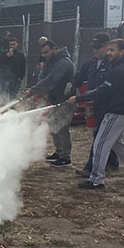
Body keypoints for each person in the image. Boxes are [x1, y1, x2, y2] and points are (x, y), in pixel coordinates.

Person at [67, 38, 124, 189]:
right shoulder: (117, 67)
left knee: (100, 143)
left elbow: (102, 91)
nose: (109, 53)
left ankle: (96, 180)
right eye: (108, 50)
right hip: (121, 111)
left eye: (112, 50)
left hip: (116, 112)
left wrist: (79, 98)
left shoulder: (119, 71)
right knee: (117, 144)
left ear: (122, 52)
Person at [70, 32, 119, 177]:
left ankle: (91, 167)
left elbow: (105, 88)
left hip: (109, 104)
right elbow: (80, 76)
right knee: (103, 136)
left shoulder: (112, 64)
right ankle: (112, 162)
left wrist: (80, 98)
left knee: (100, 136)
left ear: (107, 46)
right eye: (94, 48)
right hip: (95, 104)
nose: (95, 51)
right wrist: (71, 84)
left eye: (98, 48)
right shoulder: (91, 63)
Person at [24, 39, 75, 167]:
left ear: (54, 48)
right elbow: (43, 76)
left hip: (65, 100)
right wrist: (36, 89)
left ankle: (65, 157)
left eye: (46, 52)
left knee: (62, 127)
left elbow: (52, 79)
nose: (45, 55)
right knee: (54, 125)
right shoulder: (50, 61)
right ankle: (58, 152)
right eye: (43, 54)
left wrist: (33, 90)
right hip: (54, 99)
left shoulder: (64, 63)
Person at [0, 37, 26, 101]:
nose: (12, 46)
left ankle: (12, 110)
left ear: (17, 44)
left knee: (13, 96)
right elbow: (0, 63)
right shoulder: (4, 53)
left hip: (16, 79)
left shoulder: (20, 54)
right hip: (5, 79)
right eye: (11, 45)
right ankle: (3, 110)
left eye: (14, 44)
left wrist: (21, 77)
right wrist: (7, 57)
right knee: (3, 96)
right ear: (8, 45)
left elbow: (23, 66)